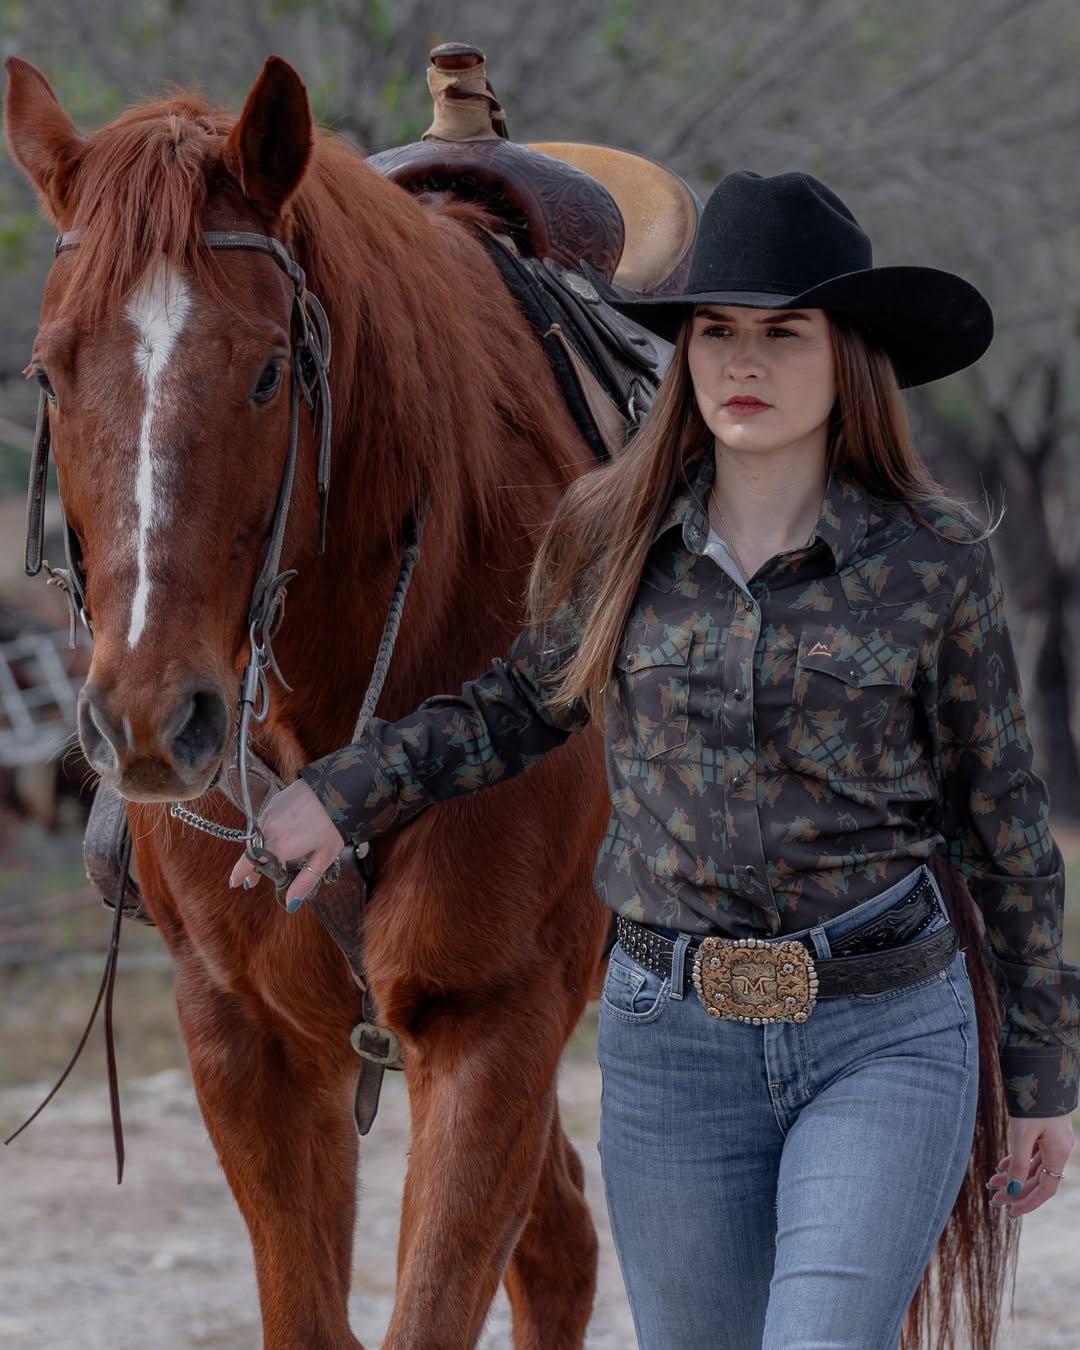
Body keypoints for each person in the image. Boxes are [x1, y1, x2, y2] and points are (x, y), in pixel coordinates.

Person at [230, 171, 1077, 1348]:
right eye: (717, 332)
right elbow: (520, 707)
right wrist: (341, 793)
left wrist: (1041, 1069)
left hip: (882, 1030)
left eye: (785, 334)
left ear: (851, 359)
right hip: (673, 1044)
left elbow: (1007, 826)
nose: (743, 362)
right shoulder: (610, 535)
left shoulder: (928, 563)